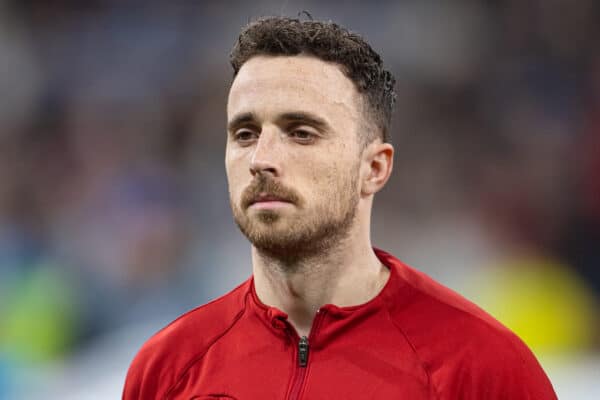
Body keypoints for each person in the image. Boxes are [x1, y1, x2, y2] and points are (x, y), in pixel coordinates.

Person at [123, 17, 557, 399]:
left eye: (301, 133)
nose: (261, 159)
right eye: (245, 133)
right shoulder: (167, 367)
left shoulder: (482, 368)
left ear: (374, 168)